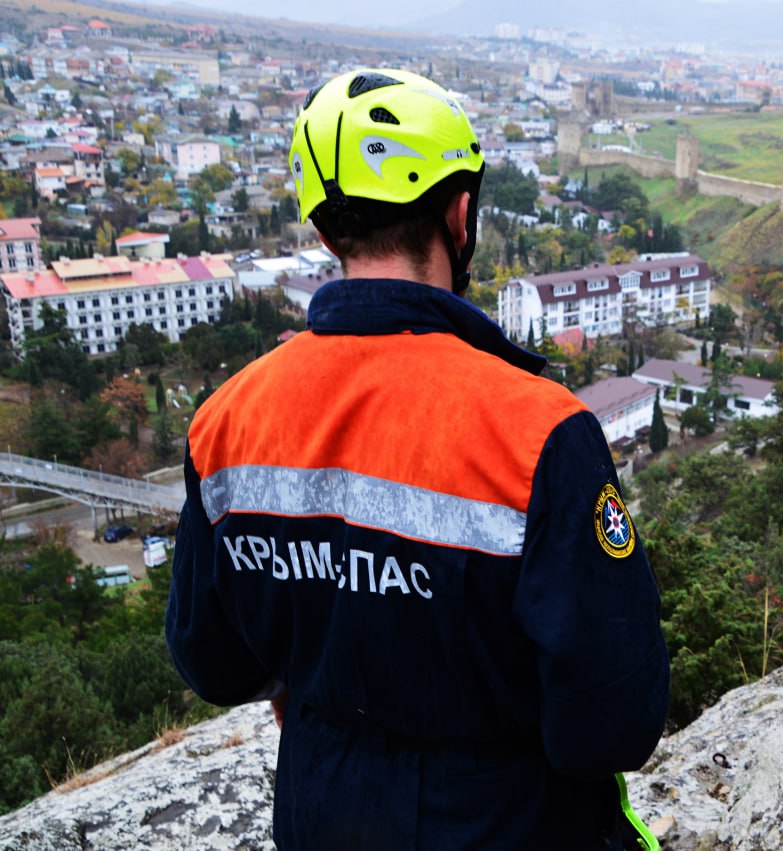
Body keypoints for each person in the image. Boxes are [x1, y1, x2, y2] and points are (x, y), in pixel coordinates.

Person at [165, 68, 670, 850]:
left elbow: (213, 663)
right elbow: (611, 722)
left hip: (320, 818)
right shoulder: (540, 432)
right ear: (459, 215)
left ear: (328, 232)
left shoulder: (225, 423)